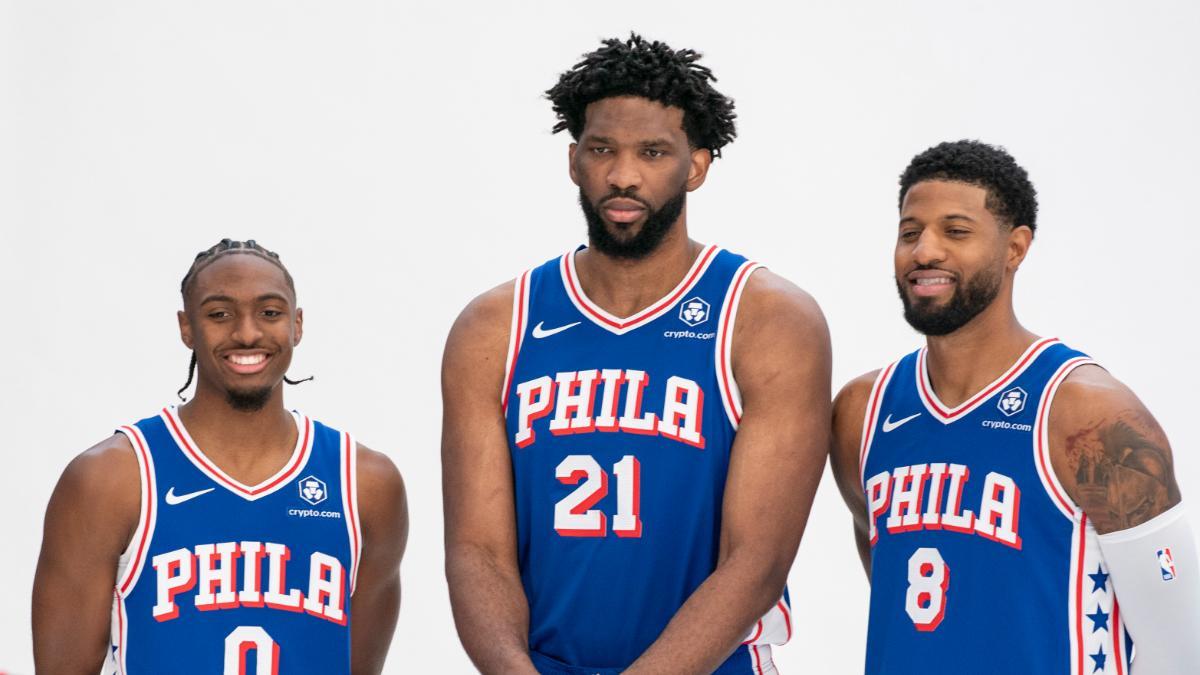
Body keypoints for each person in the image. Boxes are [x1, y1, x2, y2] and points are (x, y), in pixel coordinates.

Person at [442, 34, 831, 675]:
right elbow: (478, 551)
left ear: (697, 165)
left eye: (653, 152)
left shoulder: (766, 319)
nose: (623, 175)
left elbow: (755, 561)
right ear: (574, 161)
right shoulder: (495, 326)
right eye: (602, 150)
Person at [829, 141, 1200, 674]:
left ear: (1015, 248)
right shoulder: (862, 412)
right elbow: (896, 586)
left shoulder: (1090, 416)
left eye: (956, 231)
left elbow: (1179, 653)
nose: (924, 251)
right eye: (910, 232)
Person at [32, 239, 408, 674]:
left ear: (297, 325)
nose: (247, 333)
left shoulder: (364, 484)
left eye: (270, 312)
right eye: (219, 314)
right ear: (186, 327)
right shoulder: (111, 479)